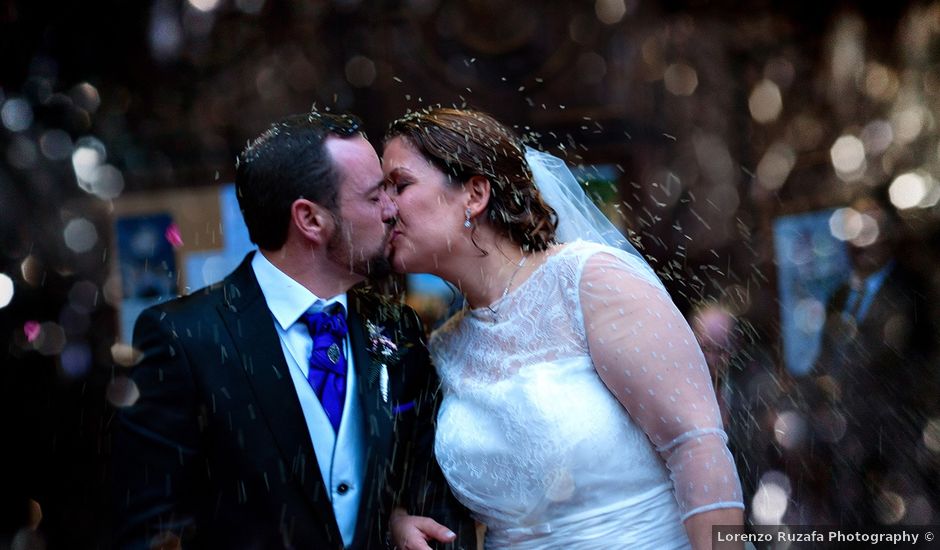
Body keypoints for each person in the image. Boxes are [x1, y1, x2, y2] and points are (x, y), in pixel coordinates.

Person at [382, 107, 744, 550]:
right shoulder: (441, 349)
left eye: (399, 185)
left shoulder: (589, 281)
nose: (385, 208)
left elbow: (696, 447)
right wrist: (396, 519)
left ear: (474, 194)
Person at [112, 111, 474, 549]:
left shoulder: (397, 326)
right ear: (311, 220)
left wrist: (394, 519)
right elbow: (152, 527)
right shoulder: (185, 338)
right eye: (375, 195)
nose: (391, 209)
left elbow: (425, 483)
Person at [808, 188, 939, 524]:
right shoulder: (839, 294)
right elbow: (828, 358)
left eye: (872, 230)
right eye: (856, 232)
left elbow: (919, 359)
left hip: (898, 431)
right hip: (848, 434)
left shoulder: (911, 289)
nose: (864, 243)